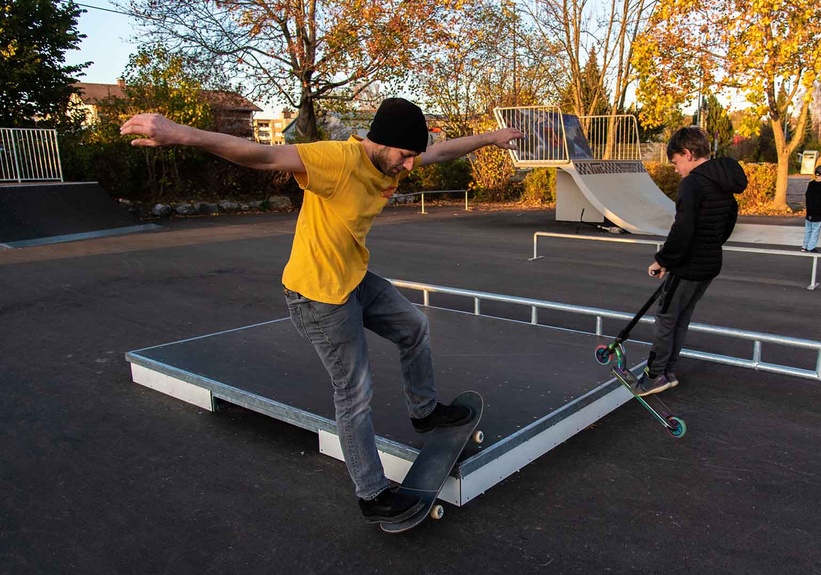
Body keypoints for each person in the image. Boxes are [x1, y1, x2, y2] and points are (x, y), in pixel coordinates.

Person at [120, 98, 522, 524]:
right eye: (404, 157)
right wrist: (182, 133)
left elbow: (442, 150)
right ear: (380, 143)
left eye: (412, 158)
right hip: (317, 296)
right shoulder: (335, 159)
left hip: (353, 280)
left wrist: (492, 139)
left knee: (414, 325)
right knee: (355, 392)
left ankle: (424, 413)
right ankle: (371, 493)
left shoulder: (395, 158)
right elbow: (262, 155)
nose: (408, 168)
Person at [641, 126, 748, 396]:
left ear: (687, 154)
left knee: (666, 316)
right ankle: (668, 370)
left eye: (676, 162)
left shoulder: (693, 183)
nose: (677, 169)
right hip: (710, 263)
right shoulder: (721, 181)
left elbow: (683, 228)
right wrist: (709, 245)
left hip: (689, 264)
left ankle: (656, 375)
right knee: (681, 316)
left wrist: (662, 260)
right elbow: (729, 220)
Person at [801, 164, 821, 253]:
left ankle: (804, 246)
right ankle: (811, 247)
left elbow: (807, 196)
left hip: (810, 211)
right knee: (815, 230)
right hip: (819, 212)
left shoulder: (811, 184)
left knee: (808, 229)